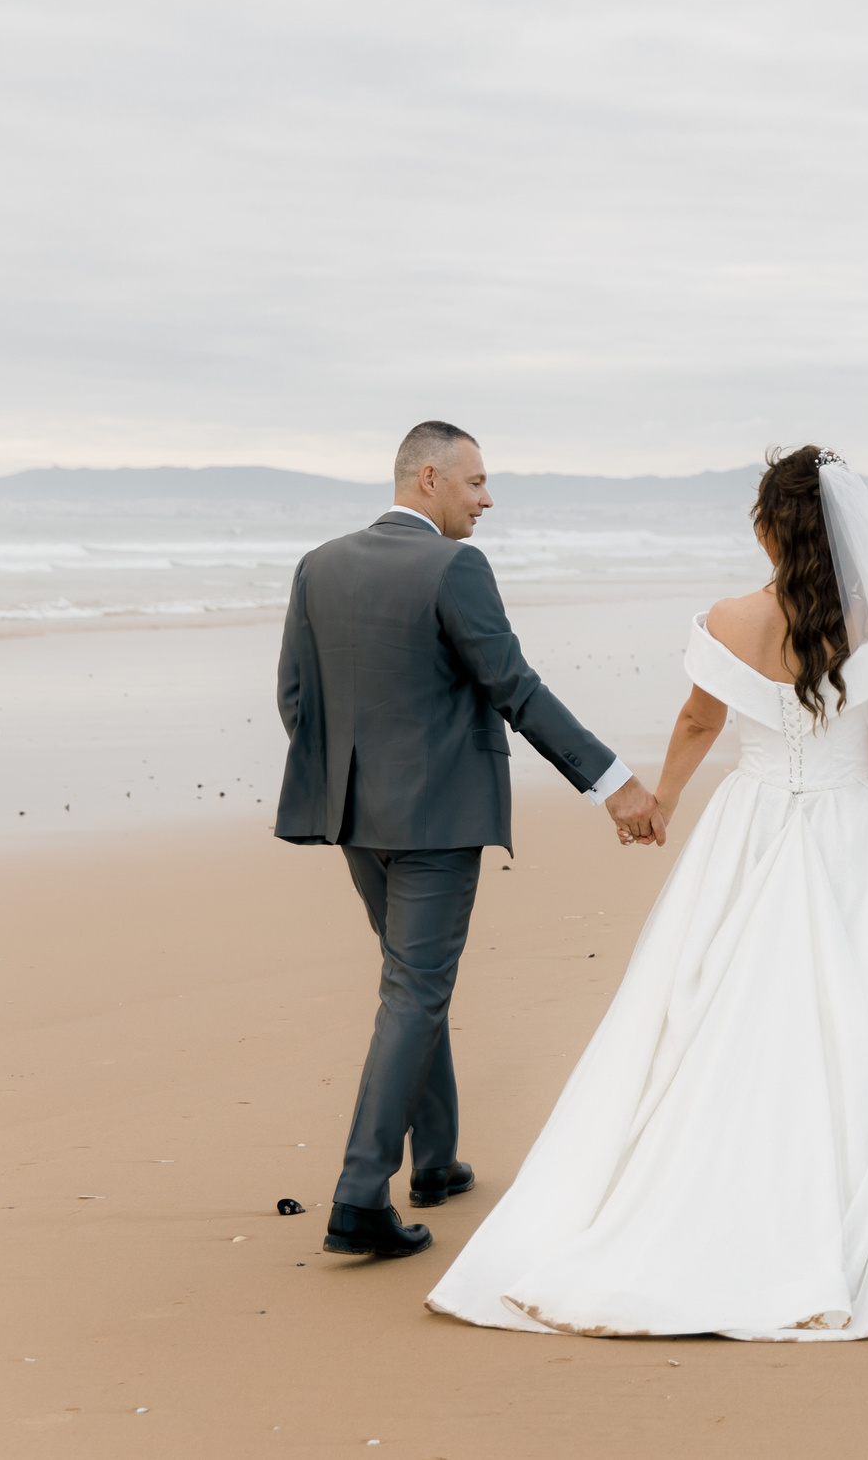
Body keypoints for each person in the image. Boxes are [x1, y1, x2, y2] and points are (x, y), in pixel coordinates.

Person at [425, 446, 868, 1363]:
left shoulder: (728, 617)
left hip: (753, 828)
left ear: (766, 525)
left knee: (716, 1012)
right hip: (859, 832)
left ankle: (726, 1209)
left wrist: (663, 801)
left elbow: (698, 720)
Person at [274, 420, 662, 1259]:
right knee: (414, 991)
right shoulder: (456, 566)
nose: (488, 500)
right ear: (426, 478)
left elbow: (296, 701)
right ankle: (357, 1194)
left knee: (413, 982)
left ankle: (438, 1161)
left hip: (352, 816)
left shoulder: (319, 565)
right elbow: (514, 685)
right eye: (476, 482)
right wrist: (613, 782)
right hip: (437, 823)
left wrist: (351, 784)